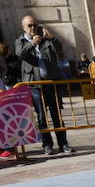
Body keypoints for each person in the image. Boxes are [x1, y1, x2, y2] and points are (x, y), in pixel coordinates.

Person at [14, 14, 73, 156]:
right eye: (29, 25)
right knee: (41, 116)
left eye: (35, 24)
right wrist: (33, 43)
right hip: (34, 85)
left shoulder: (46, 41)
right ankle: (47, 144)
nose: (33, 28)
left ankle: (63, 143)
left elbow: (59, 49)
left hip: (50, 83)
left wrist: (51, 37)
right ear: (23, 27)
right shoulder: (20, 41)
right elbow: (20, 53)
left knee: (56, 114)